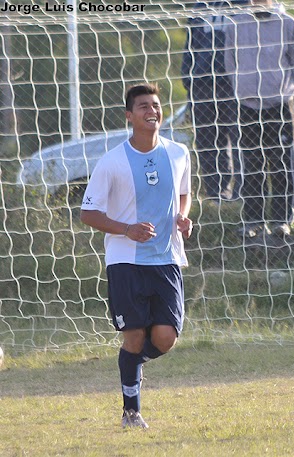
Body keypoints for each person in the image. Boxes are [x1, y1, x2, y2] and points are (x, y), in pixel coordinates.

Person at [80, 83, 193, 429]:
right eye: (143, 106)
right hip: (126, 262)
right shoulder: (112, 161)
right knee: (133, 336)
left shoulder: (178, 153)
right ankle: (132, 411)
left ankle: (131, 364)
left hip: (166, 260)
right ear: (130, 116)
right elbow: (88, 213)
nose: (152, 111)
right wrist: (126, 228)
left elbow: (184, 194)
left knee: (165, 338)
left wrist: (182, 217)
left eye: (156, 106)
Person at [224, 0, 294, 238]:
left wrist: (293, 96)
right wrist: (242, 89)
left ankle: (282, 221)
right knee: (251, 165)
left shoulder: (288, 23)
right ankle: (253, 221)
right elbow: (230, 62)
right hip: (248, 106)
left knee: (283, 164)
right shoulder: (236, 24)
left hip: (279, 106)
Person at [181, 1, 248, 201]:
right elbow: (190, 45)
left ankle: (242, 193)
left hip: (234, 82)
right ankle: (216, 192)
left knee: (241, 139)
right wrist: (188, 77)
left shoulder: (244, 5)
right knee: (206, 140)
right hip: (202, 82)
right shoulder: (200, 7)